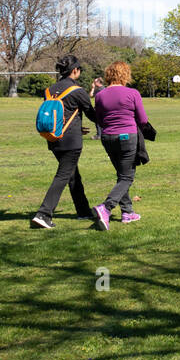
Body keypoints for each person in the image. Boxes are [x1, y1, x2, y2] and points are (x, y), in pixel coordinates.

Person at [32, 55, 99, 229]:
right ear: (75, 70)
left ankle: (83, 210)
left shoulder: (49, 90)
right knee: (63, 175)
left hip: (53, 138)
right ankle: (43, 214)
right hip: (71, 142)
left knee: (72, 174)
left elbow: (61, 114)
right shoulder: (77, 91)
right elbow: (92, 115)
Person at [91, 61, 149, 230]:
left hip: (108, 137)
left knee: (121, 174)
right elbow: (143, 119)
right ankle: (106, 208)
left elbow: (99, 119)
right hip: (127, 136)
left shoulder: (100, 95)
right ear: (125, 75)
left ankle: (127, 211)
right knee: (127, 177)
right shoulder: (132, 93)